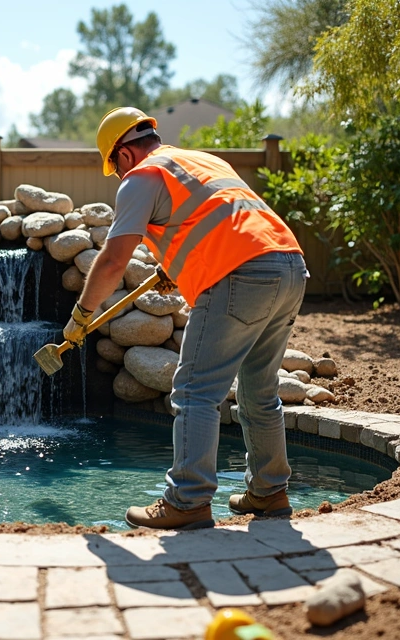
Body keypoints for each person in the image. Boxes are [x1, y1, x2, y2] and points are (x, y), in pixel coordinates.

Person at [65, 107, 307, 530]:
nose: (119, 175)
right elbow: (216, 220)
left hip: (241, 275)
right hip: (288, 266)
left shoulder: (141, 177)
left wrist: (82, 313)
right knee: (259, 390)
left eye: (115, 168)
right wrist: (171, 267)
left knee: (195, 391)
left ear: (122, 155)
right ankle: (269, 492)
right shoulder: (202, 161)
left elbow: (113, 261)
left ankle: (188, 500)